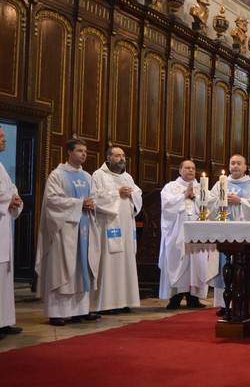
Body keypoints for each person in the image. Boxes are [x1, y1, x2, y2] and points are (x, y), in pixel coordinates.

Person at [35, 139, 101, 326]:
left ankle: (80, 311)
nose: (84, 154)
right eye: (80, 150)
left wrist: (91, 204)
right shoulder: (57, 175)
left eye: (85, 151)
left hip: (86, 229)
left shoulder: (88, 177)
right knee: (62, 268)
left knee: (82, 268)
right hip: (65, 230)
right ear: (69, 152)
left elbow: (94, 198)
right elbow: (52, 201)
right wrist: (80, 203)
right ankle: (56, 313)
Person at [208, 155, 250, 312]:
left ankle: (242, 300)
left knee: (240, 266)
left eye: (239, 163)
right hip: (223, 232)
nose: (235, 166)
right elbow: (210, 203)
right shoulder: (220, 184)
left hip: (243, 235)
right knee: (224, 265)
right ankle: (223, 303)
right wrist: (222, 200)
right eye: (232, 163)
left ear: (245, 167)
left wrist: (241, 201)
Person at [91, 146, 143, 314]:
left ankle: (124, 300)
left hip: (127, 227)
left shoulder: (127, 177)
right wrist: (117, 193)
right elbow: (95, 198)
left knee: (126, 262)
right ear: (108, 158)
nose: (122, 159)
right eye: (117, 156)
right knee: (109, 263)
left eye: (123, 156)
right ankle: (107, 303)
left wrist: (131, 194)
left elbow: (138, 194)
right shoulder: (98, 175)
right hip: (108, 225)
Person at [159, 160, 209, 310]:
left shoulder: (202, 187)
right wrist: (184, 195)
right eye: (187, 168)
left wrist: (194, 197)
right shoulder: (170, 187)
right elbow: (167, 207)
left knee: (196, 263)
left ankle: (193, 297)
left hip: (196, 233)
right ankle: (175, 297)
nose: (190, 170)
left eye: (193, 168)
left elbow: (208, 206)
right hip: (176, 233)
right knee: (177, 262)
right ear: (180, 170)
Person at [0, 126, 23, 338]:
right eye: (0, 136)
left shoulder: (1, 166)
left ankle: (4, 321)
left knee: (5, 277)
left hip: (4, 227)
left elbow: (11, 189)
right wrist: (8, 200)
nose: (4, 139)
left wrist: (15, 199)